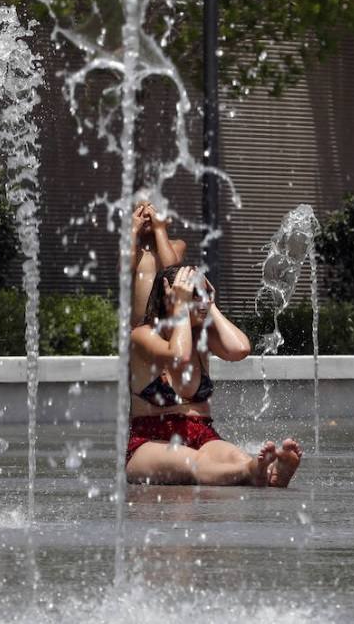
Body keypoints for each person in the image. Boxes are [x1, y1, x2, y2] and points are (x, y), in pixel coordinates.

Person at [126, 264, 303, 486]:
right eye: (194, 294)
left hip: (202, 434)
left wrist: (212, 306)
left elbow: (239, 349)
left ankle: (271, 475)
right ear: (169, 296)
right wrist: (181, 308)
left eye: (205, 293)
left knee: (237, 457)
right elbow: (179, 357)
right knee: (196, 463)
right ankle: (253, 472)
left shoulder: (201, 334)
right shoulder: (142, 335)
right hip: (151, 440)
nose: (202, 300)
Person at [132, 200, 185, 327]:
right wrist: (132, 231)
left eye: (151, 207)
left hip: (167, 327)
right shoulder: (132, 249)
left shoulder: (177, 245)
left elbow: (169, 268)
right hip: (136, 329)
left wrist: (159, 228)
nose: (146, 213)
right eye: (140, 208)